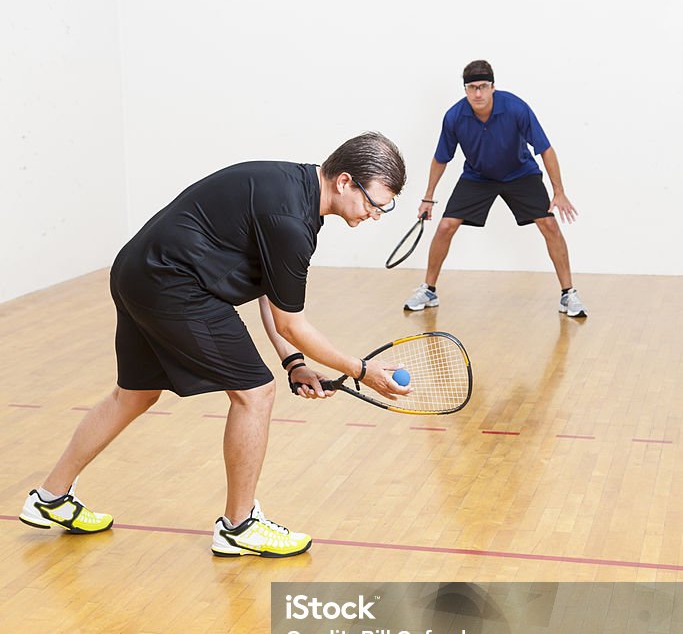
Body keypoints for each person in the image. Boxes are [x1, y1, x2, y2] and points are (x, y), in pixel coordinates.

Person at [20, 133, 408, 558]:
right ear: (345, 181)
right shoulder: (292, 222)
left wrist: (293, 362)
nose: (376, 215)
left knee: (134, 393)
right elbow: (291, 323)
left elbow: (269, 290)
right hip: (173, 285)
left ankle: (49, 498)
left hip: (136, 270)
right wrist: (361, 370)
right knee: (255, 394)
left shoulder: (291, 188)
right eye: (376, 203)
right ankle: (239, 526)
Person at [403, 60, 586, 318]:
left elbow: (544, 148)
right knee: (445, 226)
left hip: (521, 173)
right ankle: (429, 290)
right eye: (472, 87)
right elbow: (441, 158)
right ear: (465, 89)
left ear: (493, 87)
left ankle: (568, 294)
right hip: (478, 177)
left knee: (549, 225)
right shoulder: (454, 116)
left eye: (483, 86)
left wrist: (559, 191)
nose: (478, 93)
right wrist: (428, 198)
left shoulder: (516, 108)